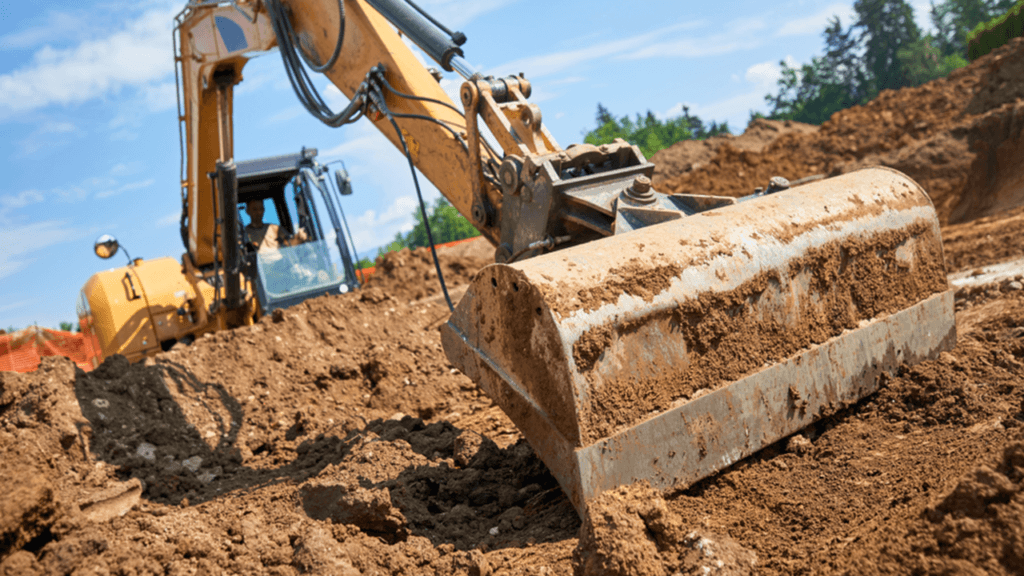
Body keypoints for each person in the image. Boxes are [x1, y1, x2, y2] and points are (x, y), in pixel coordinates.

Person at [243, 199, 307, 253]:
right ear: (247, 211)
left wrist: (299, 238)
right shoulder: (244, 233)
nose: (259, 212)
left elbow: (289, 244)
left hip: (281, 262)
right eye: (254, 209)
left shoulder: (275, 229)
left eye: (261, 209)